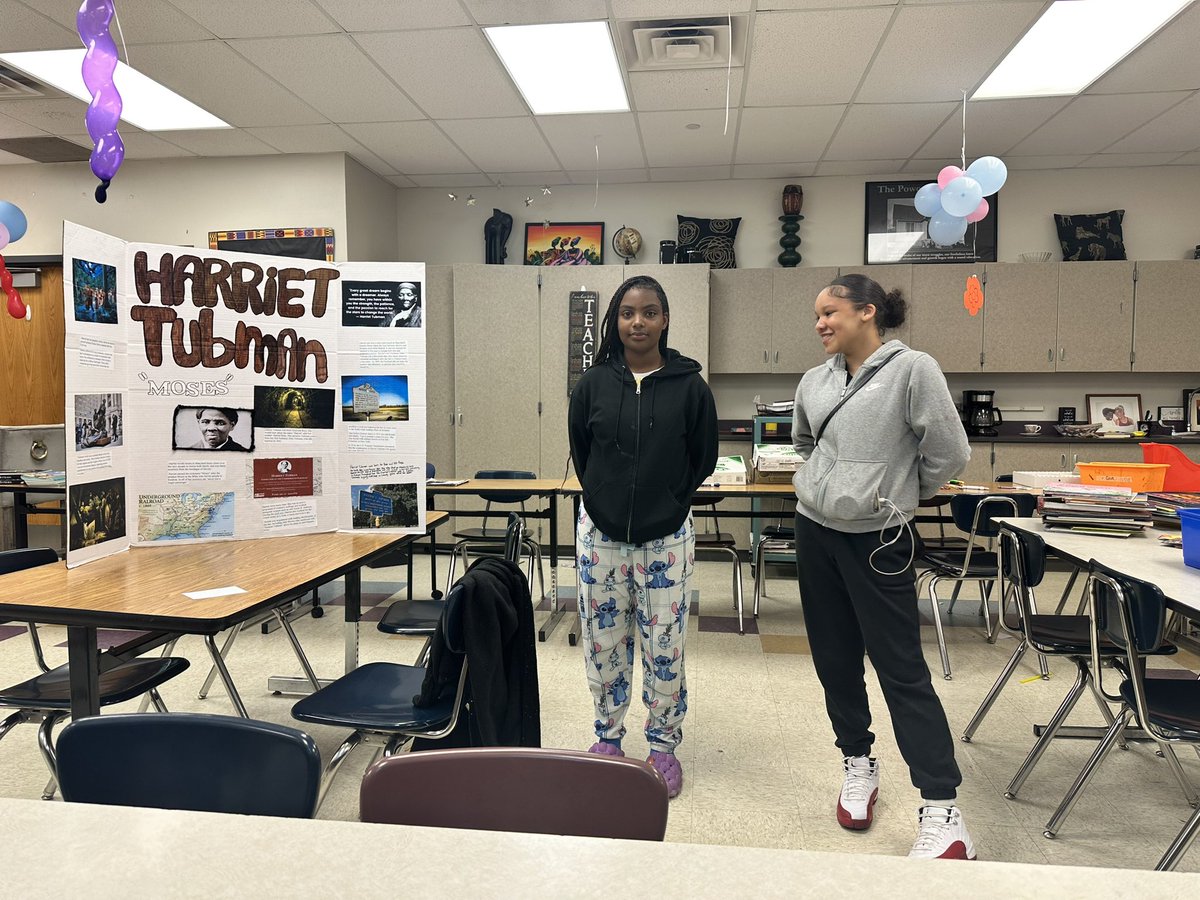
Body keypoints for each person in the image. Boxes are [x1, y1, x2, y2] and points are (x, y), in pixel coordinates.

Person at [790, 274, 974, 859]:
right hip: (815, 532)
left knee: (900, 670)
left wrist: (891, 491)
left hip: (879, 540)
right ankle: (858, 763)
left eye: (830, 312)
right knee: (834, 661)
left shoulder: (914, 370)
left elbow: (949, 452)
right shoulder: (815, 380)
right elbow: (803, 445)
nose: (820, 323)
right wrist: (823, 484)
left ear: (867, 312)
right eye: (816, 315)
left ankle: (944, 811)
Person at [567, 274, 717, 799]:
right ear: (615, 320)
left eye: (649, 312)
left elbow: (702, 458)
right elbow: (583, 451)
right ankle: (607, 736)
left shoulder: (690, 387)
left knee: (665, 645)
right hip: (600, 536)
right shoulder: (592, 385)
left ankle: (662, 744)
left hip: (667, 537)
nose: (638, 322)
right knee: (602, 639)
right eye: (628, 312)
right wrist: (604, 498)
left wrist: (671, 502)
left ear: (665, 320)